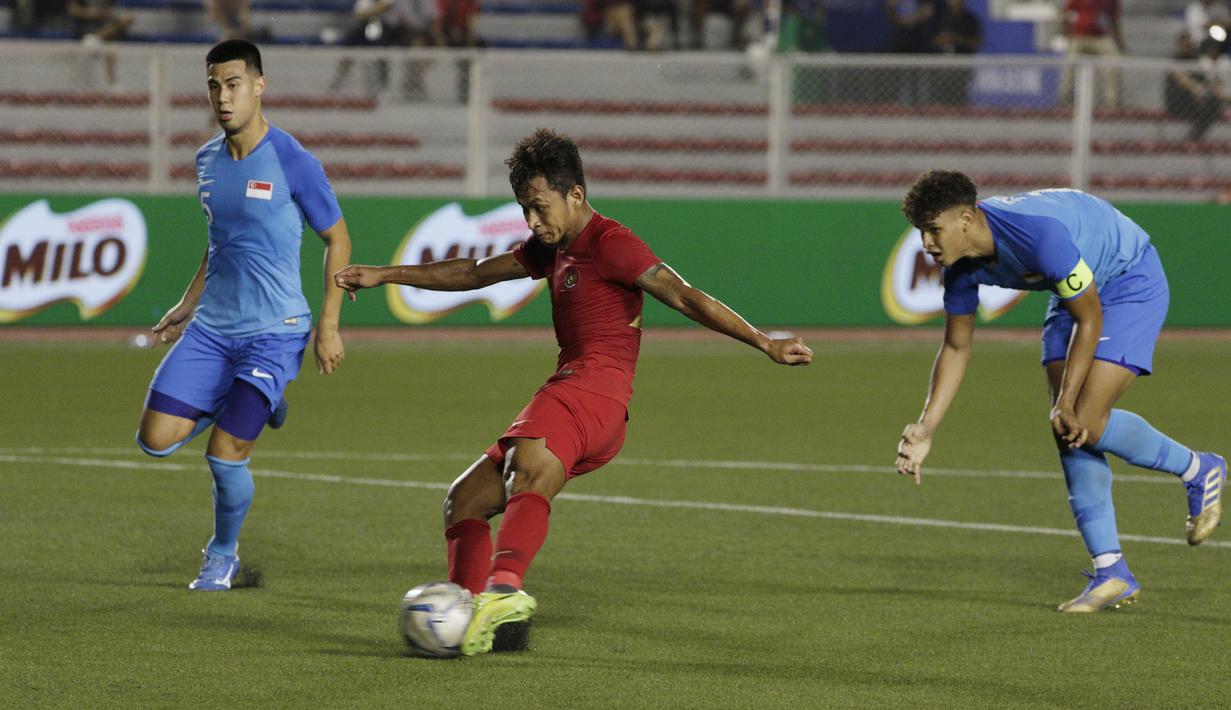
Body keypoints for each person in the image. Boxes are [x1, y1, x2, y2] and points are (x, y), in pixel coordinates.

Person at [334, 128, 813, 655]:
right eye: (524, 210)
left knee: (527, 470)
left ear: (576, 195)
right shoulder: (550, 248)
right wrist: (384, 274)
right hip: (575, 390)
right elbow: (472, 273)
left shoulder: (612, 243)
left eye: (540, 207)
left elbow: (683, 295)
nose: (533, 222)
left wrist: (763, 341)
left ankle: (503, 589)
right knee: (464, 501)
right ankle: (474, 617)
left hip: (594, 390)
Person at [893, 170, 1226, 613]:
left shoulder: (1038, 238)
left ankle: (1198, 468)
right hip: (1072, 287)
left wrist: (1066, 400)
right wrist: (926, 426)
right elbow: (956, 348)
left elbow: (1090, 319)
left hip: (1127, 278)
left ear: (968, 220)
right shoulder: (959, 271)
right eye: (921, 232)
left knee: (1082, 417)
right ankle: (1112, 573)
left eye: (934, 229)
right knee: (1067, 427)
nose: (928, 243)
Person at [135, 40, 352, 592]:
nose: (222, 97)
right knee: (155, 439)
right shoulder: (206, 161)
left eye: (233, 84)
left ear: (259, 86)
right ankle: (257, 399)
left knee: (224, 454)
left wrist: (328, 325)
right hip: (213, 328)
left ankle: (222, 554)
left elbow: (337, 237)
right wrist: (186, 306)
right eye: (214, 85)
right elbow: (219, 244)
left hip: (274, 334)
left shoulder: (292, 160)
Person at [1059, 0, 1124, 109]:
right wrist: (1067, 34)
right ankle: (1065, 101)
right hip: (1079, 36)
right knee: (1069, 64)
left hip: (1101, 38)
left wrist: (1119, 41)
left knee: (1113, 64)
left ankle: (1112, 104)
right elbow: (1065, 13)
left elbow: (1114, 19)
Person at [1165, 33, 1228, 141]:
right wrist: (1198, 90)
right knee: (1210, 103)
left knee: (1213, 104)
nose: (1187, 46)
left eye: (1189, 44)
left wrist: (1205, 92)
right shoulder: (1175, 60)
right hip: (1178, 100)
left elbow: (1207, 83)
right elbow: (1181, 78)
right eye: (1184, 44)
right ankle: (1194, 137)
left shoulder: (1196, 60)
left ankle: (1195, 136)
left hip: (1197, 101)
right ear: (1179, 44)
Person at [931, 0, 980, 107]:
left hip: (962, 63)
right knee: (941, 95)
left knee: (959, 95)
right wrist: (942, 39)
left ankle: (959, 117)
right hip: (942, 65)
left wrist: (957, 39)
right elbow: (931, 39)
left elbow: (976, 42)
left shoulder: (969, 19)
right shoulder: (940, 17)